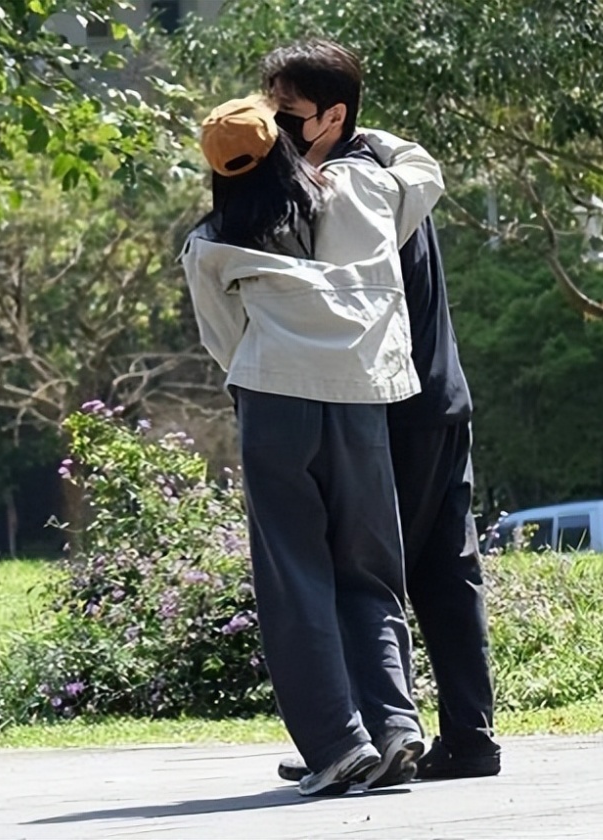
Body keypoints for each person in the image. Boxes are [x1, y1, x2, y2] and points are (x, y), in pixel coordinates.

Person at [181, 95, 445, 794]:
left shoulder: (211, 240)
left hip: (275, 399)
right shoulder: (358, 190)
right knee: (370, 569)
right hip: (361, 396)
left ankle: (335, 743)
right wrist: (348, 127)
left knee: (296, 579)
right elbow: (422, 170)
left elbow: (222, 341)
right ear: (281, 145)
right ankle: (395, 724)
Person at [263, 40, 501, 781]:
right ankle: (468, 735)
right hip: (442, 395)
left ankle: (374, 739)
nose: (274, 130)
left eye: (288, 116)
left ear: (332, 116)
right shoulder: (392, 172)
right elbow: (420, 162)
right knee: (443, 569)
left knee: (362, 572)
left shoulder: (345, 190)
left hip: (385, 404)